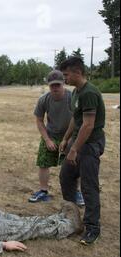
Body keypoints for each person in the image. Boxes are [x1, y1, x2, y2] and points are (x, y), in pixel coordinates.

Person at [58, 57, 106, 245]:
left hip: (90, 144)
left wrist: (74, 150)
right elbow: (76, 119)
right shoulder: (76, 92)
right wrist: (66, 139)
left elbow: (88, 125)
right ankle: (72, 216)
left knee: (88, 186)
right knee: (66, 177)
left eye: (66, 75)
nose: (65, 79)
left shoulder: (89, 93)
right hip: (77, 142)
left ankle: (92, 228)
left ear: (78, 72)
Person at [29, 70, 84, 206]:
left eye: (58, 85)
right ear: (48, 85)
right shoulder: (44, 99)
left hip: (70, 136)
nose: (55, 88)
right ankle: (43, 191)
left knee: (73, 164)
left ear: (63, 83)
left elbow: (78, 120)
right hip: (51, 135)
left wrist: (69, 140)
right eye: (52, 85)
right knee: (43, 163)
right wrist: (47, 140)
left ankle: (76, 192)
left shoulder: (72, 98)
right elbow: (39, 121)